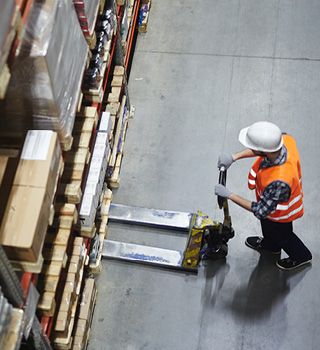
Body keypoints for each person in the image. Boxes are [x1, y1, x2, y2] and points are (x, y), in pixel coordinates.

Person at [215, 121, 312, 270]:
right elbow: (261, 150)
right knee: (267, 226)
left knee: (283, 236)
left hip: (281, 214)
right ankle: (271, 246)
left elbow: (261, 210)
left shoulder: (280, 179)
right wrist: (234, 157)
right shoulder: (284, 139)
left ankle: (301, 256)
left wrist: (229, 195)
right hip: (269, 203)